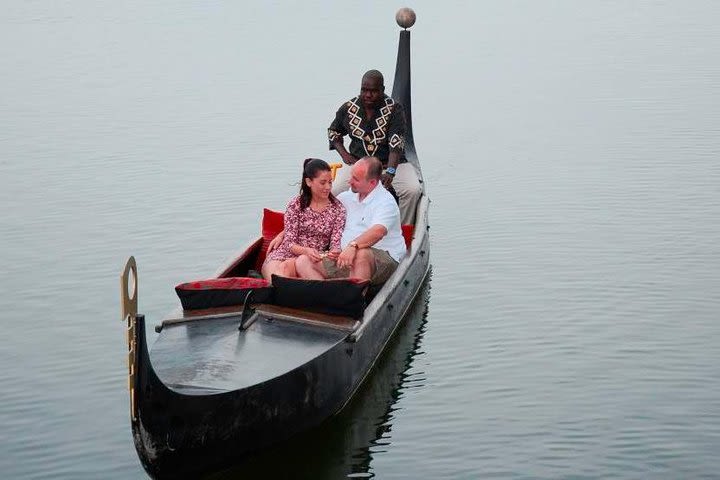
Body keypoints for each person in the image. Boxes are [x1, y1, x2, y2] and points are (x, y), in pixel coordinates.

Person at [328, 69, 422, 225]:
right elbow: (333, 132)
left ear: (382, 90)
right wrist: (344, 154)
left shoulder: (394, 110)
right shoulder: (349, 108)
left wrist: (390, 172)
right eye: (364, 90)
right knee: (336, 189)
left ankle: (404, 229)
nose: (368, 95)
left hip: (389, 164)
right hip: (358, 164)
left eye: (373, 91)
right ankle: (341, 229)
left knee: (412, 190)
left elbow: (395, 143)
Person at [295, 157, 406, 285]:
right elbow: (317, 218)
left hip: (382, 261)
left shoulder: (386, 202)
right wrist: (284, 233)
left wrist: (353, 246)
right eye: (351, 176)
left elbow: (378, 232)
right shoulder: (344, 197)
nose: (350, 181)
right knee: (303, 261)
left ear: (372, 183)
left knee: (362, 253)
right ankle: (328, 297)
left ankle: (354, 300)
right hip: (344, 257)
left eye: (356, 179)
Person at [262, 158, 346, 281]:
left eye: (330, 182)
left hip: (313, 258)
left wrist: (334, 251)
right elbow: (290, 243)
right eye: (323, 183)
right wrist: (305, 250)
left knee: (288, 271)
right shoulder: (295, 204)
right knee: (278, 275)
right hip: (286, 252)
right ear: (308, 182)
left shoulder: (338, 208)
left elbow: (335, 242)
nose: (328, 187)